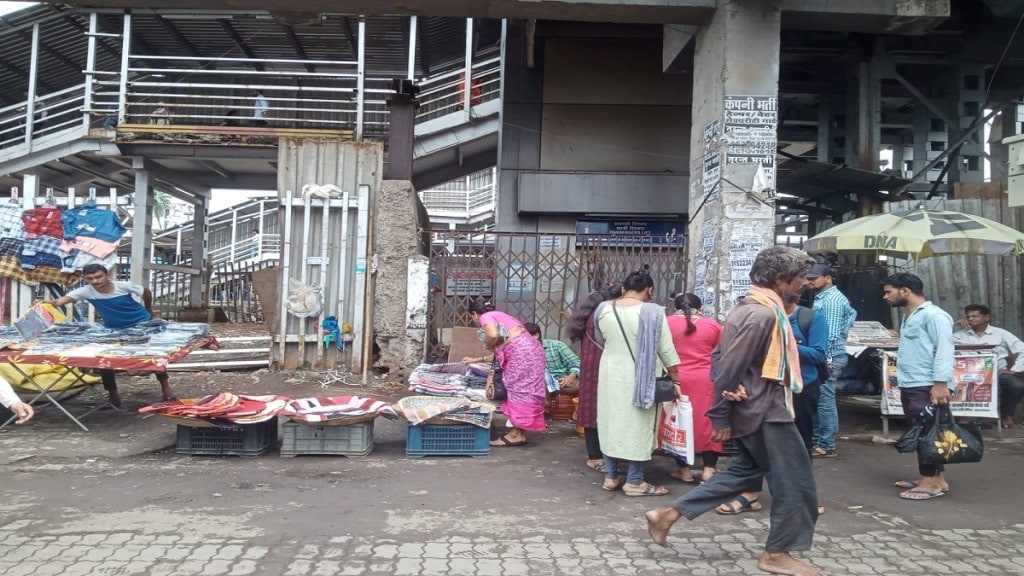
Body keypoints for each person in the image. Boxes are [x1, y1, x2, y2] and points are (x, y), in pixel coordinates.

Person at [645, 246, 821, 576]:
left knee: (747, 473)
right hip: (765, 412)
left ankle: (667, 515)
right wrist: (720, 414)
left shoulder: (754, 307)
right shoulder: (762, 314)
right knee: (796, 484)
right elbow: (727, 367)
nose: (804, 284)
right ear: (780, 279)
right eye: (799, 279)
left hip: (759, 407)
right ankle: (776, 554)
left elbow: (722, 360)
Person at [714, 290, 828, 517]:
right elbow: (722, 354)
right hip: (763, 391)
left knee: (800, 444)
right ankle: (750, 494)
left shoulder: (811, 318)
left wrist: (782, 345)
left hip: (799, 388)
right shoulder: (758, 317)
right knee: (753, 445)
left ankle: (802, 498)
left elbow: (818, 354)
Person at [593, 271, 681, 496]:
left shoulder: (603, 309)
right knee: (639, 424)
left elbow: (601, 339)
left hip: (610, 373)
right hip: (641, 376)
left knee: (609, 421)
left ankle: (611, 477)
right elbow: (666, 349)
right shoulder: (652, 312)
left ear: (624, 288)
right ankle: (634, 481)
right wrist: (675, 378)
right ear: (649, 290)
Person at [43, 264, 174, 407]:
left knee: (152, 355)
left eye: (98, 277)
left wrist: (148, 308)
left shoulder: (122, 286)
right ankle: (113, 396)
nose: (95, 281)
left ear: (107, 275)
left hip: (142, 324)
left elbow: (146, 291)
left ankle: (166, 389)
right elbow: (59, 301)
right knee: (104, 360)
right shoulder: (86, 291)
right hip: (113, 329)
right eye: (90, 279)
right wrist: (45, 305)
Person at [881, 273, 954, 501]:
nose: (885, 297)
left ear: (905, 291)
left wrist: (940, 384)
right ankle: (937, 478)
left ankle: (929, 482)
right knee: (928, 430)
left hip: (926, 384)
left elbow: (945, 350)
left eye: (888, 291)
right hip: (913, 383)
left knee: (927, 434)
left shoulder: (934, 315)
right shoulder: (911, 316)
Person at [466, 299, 546, 446]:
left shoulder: (486, 316)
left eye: (473, 317)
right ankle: (518, 432)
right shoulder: (501, 315)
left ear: (475, 314)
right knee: (526, 391)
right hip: (532, 352)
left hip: (521, 354)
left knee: (518, 390)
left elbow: (493, 334)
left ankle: (516, 435)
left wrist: (488, 344)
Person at [665, 292, 722, 484]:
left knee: (677, 424)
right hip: (705, 380)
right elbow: (720, 349)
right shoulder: (712, 325)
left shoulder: (667, 322)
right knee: (708, 423)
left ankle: (685, 471)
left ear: (676, 307)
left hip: (676, 380)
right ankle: (708, 470)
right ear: (700, 308)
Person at [565, 282, 620, 474]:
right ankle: (596, 457)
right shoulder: (604, 315)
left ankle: (596, 455)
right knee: (597, 409)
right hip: (601, 366)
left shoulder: (592, 313)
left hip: (592, 367)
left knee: (591, 407)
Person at [806, 263, 856, 459]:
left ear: (828, 278)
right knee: (820, 399)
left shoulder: (832, 300)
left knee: (825, 400)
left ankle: (826, 444)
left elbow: (832, 334)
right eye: (808, 278)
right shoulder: (824, 298)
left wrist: (820, 357)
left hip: (830, 356)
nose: (810, 282)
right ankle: (821, 440)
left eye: (814, 278)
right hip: (827, 355)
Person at [952, 304, 1024, 429]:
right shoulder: (959, 335)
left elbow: (1022, 349)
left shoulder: (1000, 334)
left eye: (975, 316)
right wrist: (950, 326)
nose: (970, 319)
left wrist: (1015, 369)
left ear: (986, 317)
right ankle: (959, 415)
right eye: (968, 316)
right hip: (967, 375)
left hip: (997, 373)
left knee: (1016, 385)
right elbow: (941, 348)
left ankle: (1007, 414)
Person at [523, 323, 580, 393]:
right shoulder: (522, 352)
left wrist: (570, 377)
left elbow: (576, 362)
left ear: (536, 335)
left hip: (563, 382)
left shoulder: (556, 346)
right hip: (540, 386)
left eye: (523, 337)